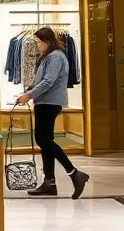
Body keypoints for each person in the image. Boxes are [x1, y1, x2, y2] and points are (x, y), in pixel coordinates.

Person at [16, 27, 90, 199]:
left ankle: (74, 173)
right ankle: (49, 183)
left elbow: (49, 81)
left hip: (50, 102)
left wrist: (29, 94)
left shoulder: (56, 57)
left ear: (47, 41)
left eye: (39, 42)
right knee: (44, 141)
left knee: (45, 140)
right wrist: (29, 92)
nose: (37, 46)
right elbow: (42, 81)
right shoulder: (49, 57)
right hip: (44, 102)